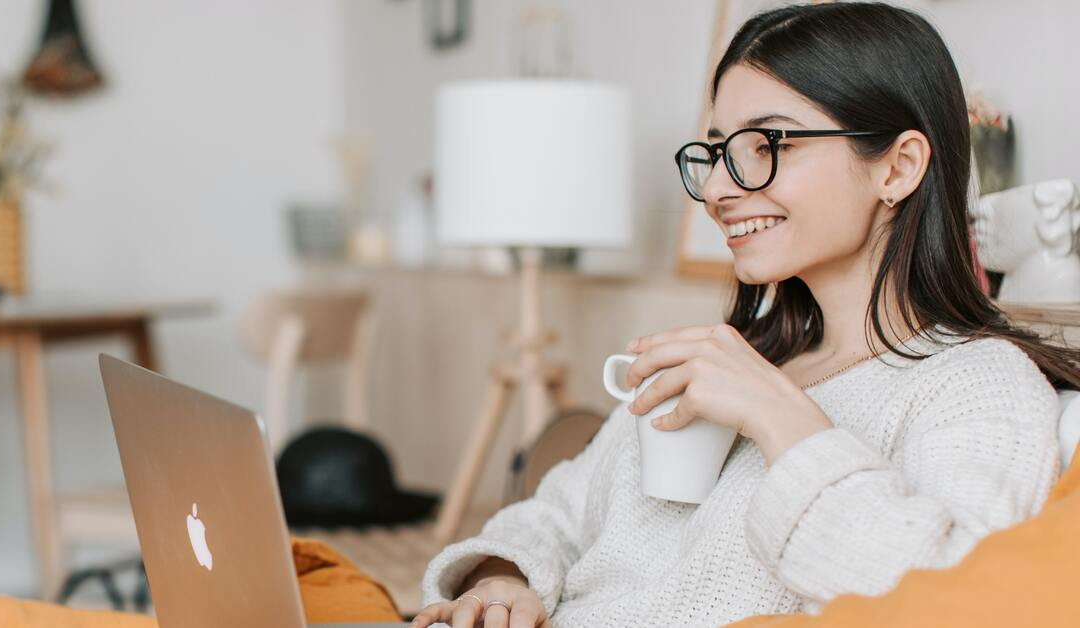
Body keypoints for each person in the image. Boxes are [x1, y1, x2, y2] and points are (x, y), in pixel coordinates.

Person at [409, 3, 1080, 628]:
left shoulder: (976, 384)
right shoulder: (737, 355)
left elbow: (950, 596)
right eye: (718, 150)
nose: (722, 189)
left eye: (768, 145)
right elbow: (553, 515)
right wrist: (502, 581)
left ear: (898, 167)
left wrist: (780, 415)